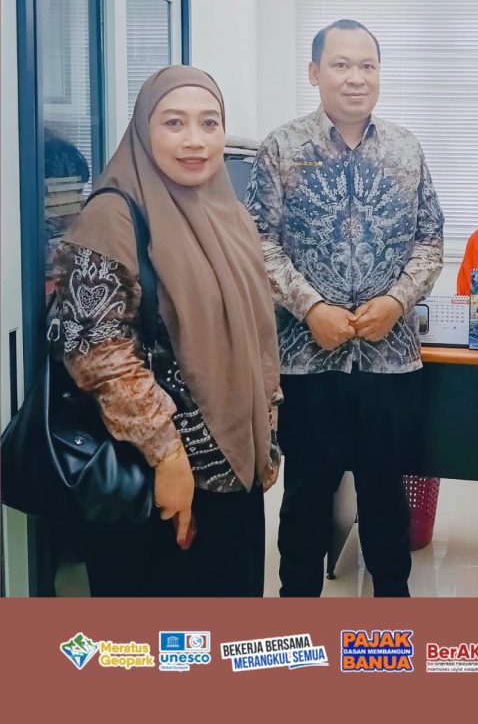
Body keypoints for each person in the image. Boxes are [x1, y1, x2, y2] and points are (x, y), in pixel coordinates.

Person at [53, 66, 281, 597]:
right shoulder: (112, 217)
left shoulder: (230, 213)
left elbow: (256, 337)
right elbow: (98, 353)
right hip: (157, 477)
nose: (194, 140)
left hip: (233, 471)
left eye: (209, 123)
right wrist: (168, 456)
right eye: (174, 123)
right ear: (143, 130)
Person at [246, 18, 444, 597]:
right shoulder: (282, 149)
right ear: (315, 73)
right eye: (341, 65)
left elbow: (430, 241)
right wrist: (311, 308)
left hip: (390, 361)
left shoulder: (406, 149)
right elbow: (259, 242)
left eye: (367, 66)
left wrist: (396, 300)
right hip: (308, 362)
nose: (355, 77)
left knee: (386, 498)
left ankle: (392, 618)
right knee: (306, 499)